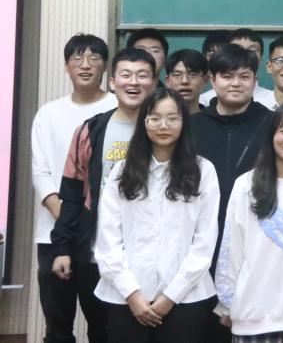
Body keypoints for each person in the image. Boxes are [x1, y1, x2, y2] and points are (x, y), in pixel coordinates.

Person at [49, 47, 158, 343]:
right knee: (100, 332)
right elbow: (72, 194)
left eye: (142, 75)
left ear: (154, 82)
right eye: (126, 75)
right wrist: (62, 248)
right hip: (97, 255)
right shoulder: (91, 130)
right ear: (112, 82)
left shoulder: (167, 129)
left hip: (150, 256)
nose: (133, 82)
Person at [94, 87, 219, 341]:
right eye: (155, 118)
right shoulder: (122, 171)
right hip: (125, 298)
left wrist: (171, 296)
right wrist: (132, 294)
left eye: (173, 118)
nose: (164, 125)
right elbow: (108, 240)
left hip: (186, 299)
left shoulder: (203, 171)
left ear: (184, 123)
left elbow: (205, 242)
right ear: (143, 122)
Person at [215, 103, 283, 342]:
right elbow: (231, 247)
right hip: (253, 316)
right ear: (271, 136)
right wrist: (227, 302)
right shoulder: (246, 185)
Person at [31, 34, 117, 343]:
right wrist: (68, 219)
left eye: (94, 58)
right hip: (53, 234)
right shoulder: (49, 113)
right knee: (58, 325)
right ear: (67, 66)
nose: (85, 65)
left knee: (104, 324)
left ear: (105, 66)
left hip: (104, 236)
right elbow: (41, 173)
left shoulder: (118, 107)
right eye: (77, 58)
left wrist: (89, 222)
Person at [190, 44, 274, 263]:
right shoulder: (192, 126)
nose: (236, 83)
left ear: (255, 81)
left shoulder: (273, 125)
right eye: (227, 76)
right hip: (198, 231)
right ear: (212, 80)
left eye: (244, 77)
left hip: (257, 228)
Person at [200, 29, 274, 107]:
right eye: (237, 49)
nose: (244, 54)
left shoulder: (271, 100)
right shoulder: (203, 101)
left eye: (252, 51)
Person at [164, 48, 208, 115]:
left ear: (205, 80)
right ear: (167, 82)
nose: (184, 81)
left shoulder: (213, 120)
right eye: (177, 75)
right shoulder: (156, 119)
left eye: (192, 75)